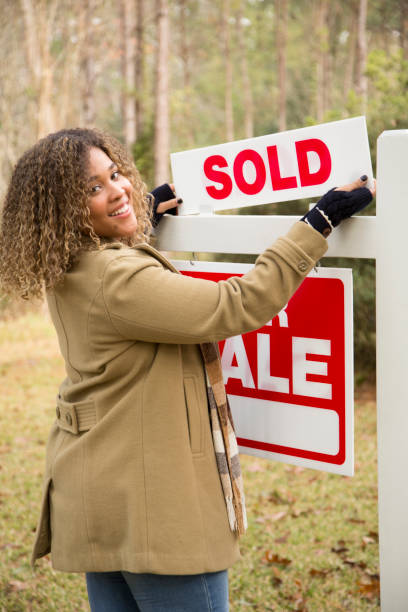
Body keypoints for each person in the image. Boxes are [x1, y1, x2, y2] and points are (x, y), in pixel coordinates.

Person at [0, 128, 374, 612]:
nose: (117, 189)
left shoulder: (68, 265)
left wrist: (142, 223)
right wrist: (318, 222)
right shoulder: (118, 278)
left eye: (114, 174)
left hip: (97, 495)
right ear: (62, 211)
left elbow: (126, 291)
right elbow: (235, 304)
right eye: (93, 188)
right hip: (154, 509)